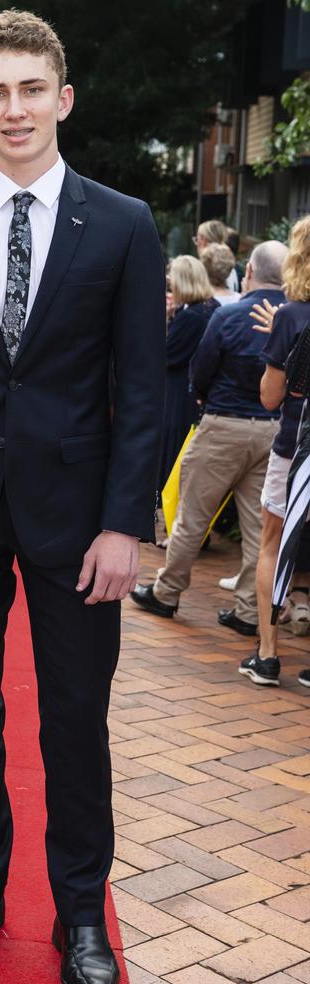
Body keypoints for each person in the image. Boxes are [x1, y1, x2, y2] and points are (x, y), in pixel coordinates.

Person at [0, 10, 165, 984]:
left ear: (62, 98)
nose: (14, 110)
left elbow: (144, 388)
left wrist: (124, 522)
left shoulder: (128, 225)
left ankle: (82, 911)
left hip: (77, 517)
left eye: (30, 89)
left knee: (74, 724)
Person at [131, 241, 286, 632]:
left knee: (191, 515)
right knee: (257, 527)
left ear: (249, 271)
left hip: (223, 422)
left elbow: (200, 369)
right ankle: (250, 610)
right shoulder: (292, 318)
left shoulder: (229, 315)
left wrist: (201, 398)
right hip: (272, 429)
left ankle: (167, 592)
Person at [239, 214, 310, 686]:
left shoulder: (290, 316)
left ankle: (267, 655)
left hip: (296, 448)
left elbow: (270, 397)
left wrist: (278, 345)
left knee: (271, 544)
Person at [159, 255, 219, 492]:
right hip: (200, 390)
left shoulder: (190, 317)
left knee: (173, 448)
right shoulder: (212, 308)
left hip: (180, 391)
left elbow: (164, 354)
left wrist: (166, 320)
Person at [194, 219, 240, 293]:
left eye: (197, 239)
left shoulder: (201, 269)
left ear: (204, 241)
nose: (196, 244)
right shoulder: (231, 268)